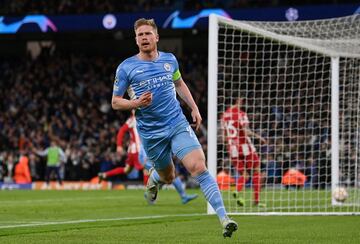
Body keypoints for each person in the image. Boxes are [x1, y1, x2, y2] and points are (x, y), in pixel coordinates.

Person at [111, 18, 237, 238]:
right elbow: (115, 102)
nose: (144, 38)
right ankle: (155, 178)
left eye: (148, 34)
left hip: (177, 123)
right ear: (136, 40)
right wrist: (136, 103)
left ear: (157, 37)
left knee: (199, 167)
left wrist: (194, 108)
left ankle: (224, 218)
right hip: (151, 133)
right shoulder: (126, 67)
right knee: (168, 177)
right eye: (140, 35)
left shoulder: (170, 60)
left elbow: (179, 84)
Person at [99, 110, 198, 204]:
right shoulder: (135, 119)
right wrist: (119, 145)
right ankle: (153, 193)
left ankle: (105, 175)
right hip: (140, 152)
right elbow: (122, 131)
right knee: (160, 173)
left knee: (129, 170)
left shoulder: (143, 119)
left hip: (137, 152)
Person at [221, 97, 267, 207]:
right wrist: (258, 137)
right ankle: (256, 200)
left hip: (233, 149)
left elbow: (223, 138)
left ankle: (237, 190)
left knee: (245, 175)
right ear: (238, 101)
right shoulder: (241, 114)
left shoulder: (224, 116)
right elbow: (245, 132)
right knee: (256, 170)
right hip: (245, 147)